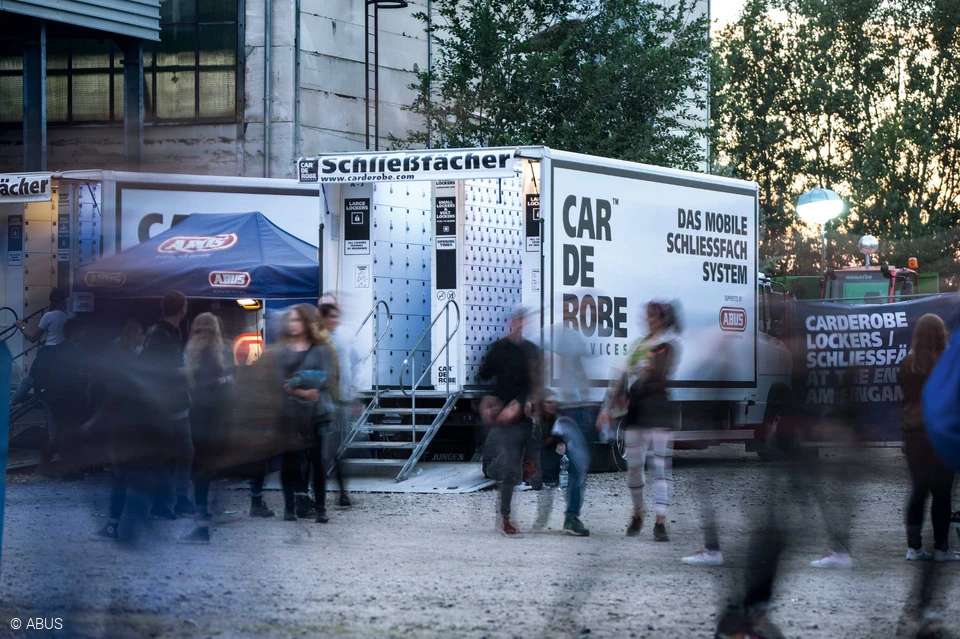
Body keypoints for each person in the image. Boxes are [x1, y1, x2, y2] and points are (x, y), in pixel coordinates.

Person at [598, 301, 679, 542]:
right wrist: (607, 409)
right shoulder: (638, 345)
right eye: (647, 316)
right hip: (636, 412)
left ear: (663, 319)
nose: (649, 320)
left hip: (659, 412)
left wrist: (639, 368)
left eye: (653, 317)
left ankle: (660, 522)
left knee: (660, 468)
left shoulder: (668, 346)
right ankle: (637, 514)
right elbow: (620, 376)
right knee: (634, 469)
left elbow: (658, 373)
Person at [478, 306, 541, 536]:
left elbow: (535, 383)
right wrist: (488, 399)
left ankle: (495, 470)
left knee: (518, 468)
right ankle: (505, 517)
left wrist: (522, 402)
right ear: (511, 323)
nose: (520, 326)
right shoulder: (499, 349)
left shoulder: (531, 351)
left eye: (524, 322)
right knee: (512, 468)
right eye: (517, 322)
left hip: (523, 419)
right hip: (504, 419)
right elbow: (483, 376)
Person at [277, 304, 339, 523]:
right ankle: (289, 507)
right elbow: (279, 383)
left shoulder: (321, 349)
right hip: (291, 414)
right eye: (290, 320)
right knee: (290, 461)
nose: (293, 324)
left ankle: (321, 507)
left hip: (316, 414)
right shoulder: (283, 351)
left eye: (297, 320)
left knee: (317, 461)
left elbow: (327, 378)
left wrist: (296, 382)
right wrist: (303, 391)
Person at [178, 313, 231, 543]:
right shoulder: (220, 353)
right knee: (206, 472)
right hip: (216, 418)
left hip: (202, 418)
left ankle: (202, 526)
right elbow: (225, 383)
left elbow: (204, 387)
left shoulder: (200, 355)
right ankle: (205, 521)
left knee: (201, 473)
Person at [141, 291, 193, 519]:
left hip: (176, 403)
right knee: (164, 454)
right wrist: (181, 372)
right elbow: (152, 367)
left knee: (185, 452)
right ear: (181, 308)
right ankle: (160, 502)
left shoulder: (172, 332)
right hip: (162, 404)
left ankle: (179, 499)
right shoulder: (160, 334)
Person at [32, 318, 91, 478]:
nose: (85, 333)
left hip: (57, 397)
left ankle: (50, 465)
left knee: (62, 433)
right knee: (66, 432)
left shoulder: (59, 350)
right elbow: (73, 376)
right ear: (75, 332)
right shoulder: (72, 351)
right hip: (68, 397)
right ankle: (63, 467)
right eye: (83, 330)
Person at [533, 390, 590, 536]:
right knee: (547, 486)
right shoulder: (536, 421)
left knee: (575, 477)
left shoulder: (561, 419)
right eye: (548, 402)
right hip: (546, 457)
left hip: (559, 456)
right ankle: (542, 519)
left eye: (554, 402)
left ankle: (570, 518)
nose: (552, 405)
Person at [319, 302, 355, 507]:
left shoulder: (341, 339)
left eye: (336, 316)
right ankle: (326, 494)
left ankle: (341, 492)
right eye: (331, 317)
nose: (335, 320)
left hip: (340, 402)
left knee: (337, 450)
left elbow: (351, 363)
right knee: (326, 451)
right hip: (325, 402)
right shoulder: (319, 341)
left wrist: (352, 387)